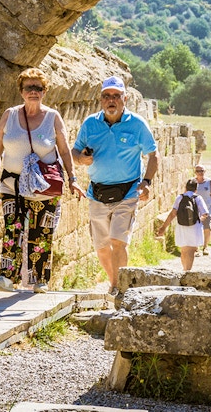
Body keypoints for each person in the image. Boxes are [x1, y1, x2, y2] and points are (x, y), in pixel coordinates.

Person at [0, 68, 85, 293]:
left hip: (43, 187)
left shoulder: (52, 117)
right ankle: (7, 278)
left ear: (44, 91)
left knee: (42, 232)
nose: (33, 92)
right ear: (21, 91)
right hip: (12, 184)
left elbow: (65, 150)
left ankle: (39, 280)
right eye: (29, 87)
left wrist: (73, 179)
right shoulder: (9, 115)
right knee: (12, 228)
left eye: (38, 88)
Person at [71, 75, 159, 295]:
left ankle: (121, 289)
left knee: (118, 241)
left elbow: (153, 154)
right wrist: (81, 159)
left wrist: (146, 182)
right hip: (97, 192)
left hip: (127, 191)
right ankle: (113, 282)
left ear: (125, 98)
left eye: (116, 96)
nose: (111, 100)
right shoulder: (90, 124)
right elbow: (74, 151)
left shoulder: (137, 124)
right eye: (106, 96)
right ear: (101, 100)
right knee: (101, 247)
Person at [157, 178, 209, 271]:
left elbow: (173, 213)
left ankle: (184, 269)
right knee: (191, 250)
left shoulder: (180, 197)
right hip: (194, 227)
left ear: (186, 187)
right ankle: (187, 271)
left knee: (184, 250)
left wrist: (164, 227)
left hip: (181, 226)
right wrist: (199, 219)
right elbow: (205, 213)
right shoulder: (198, 198)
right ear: (196, 188)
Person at [194, 164, 211, 256]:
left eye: (202, 171)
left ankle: (205, 247)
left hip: (207, 210)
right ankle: (196, 248)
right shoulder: (192, 182)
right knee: (195, 229)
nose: (200, 173)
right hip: (195, 210)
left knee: (207, 228)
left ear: (205, 171)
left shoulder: (209, 182)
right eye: (198, 171)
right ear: (195, 172)